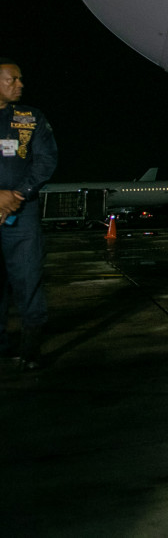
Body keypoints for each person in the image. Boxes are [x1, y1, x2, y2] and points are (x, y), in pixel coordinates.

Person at [0, 60, 58, 369]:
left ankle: (31, 348)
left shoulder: (31, 118)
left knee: (27, 277)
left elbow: (46, 160)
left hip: (21, 214)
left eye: (20, 79)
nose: (20, 84)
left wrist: (16, 195)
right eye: (13, 79)